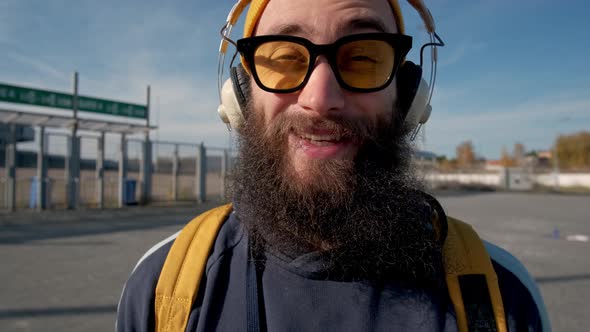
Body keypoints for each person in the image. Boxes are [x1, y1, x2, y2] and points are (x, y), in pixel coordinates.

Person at [117, 0, 549, 331]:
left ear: (407, 95)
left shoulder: (500, 295)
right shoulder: (164, 286)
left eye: (363, 58)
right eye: (284, 58)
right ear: (242, 94)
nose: (321, 98)